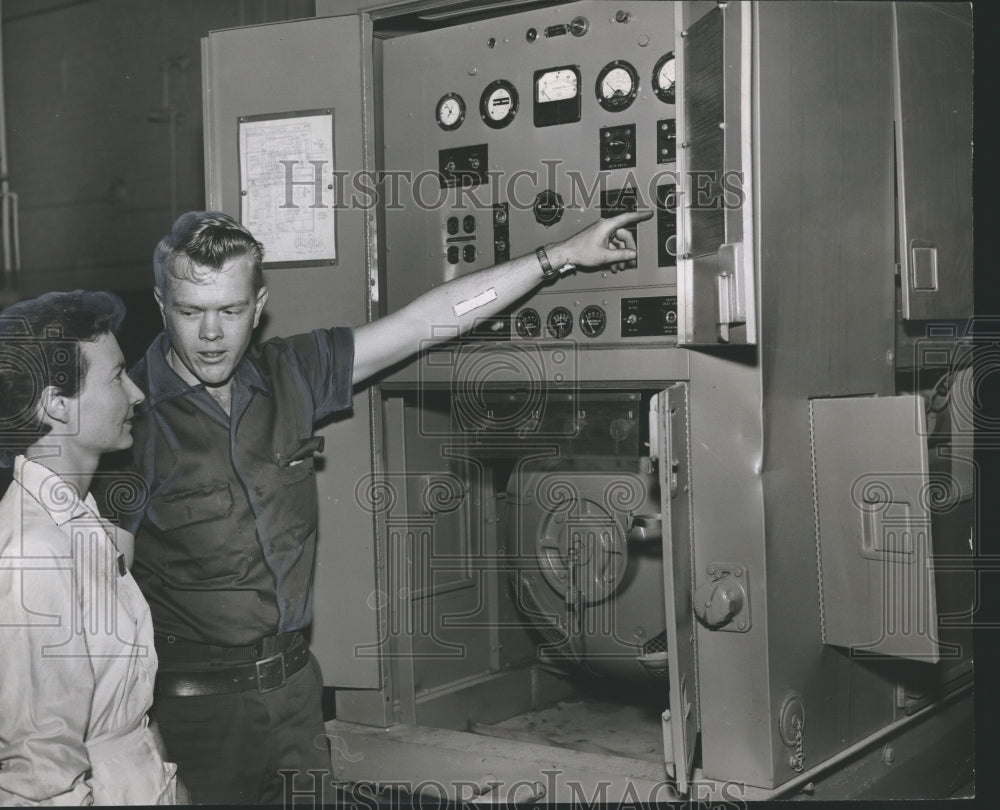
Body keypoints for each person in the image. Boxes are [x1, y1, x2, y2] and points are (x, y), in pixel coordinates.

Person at [125, 208, 650, 803]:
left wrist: (558, 256)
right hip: (191, 714)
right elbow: (100, 604)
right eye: (191, 312)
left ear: (259, 302)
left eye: (231, 309)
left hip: (296, 696)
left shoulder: (291, 374)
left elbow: (426, 321)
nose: (212, 334)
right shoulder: (129, 423)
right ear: (161, 304)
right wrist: (131, 747)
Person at [0, 291, 182, 805]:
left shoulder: (81, 520)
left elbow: (123, 706)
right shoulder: (33, 552)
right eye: (116, 376)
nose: (137, 394)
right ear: (57, 404)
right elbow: (41, 776)